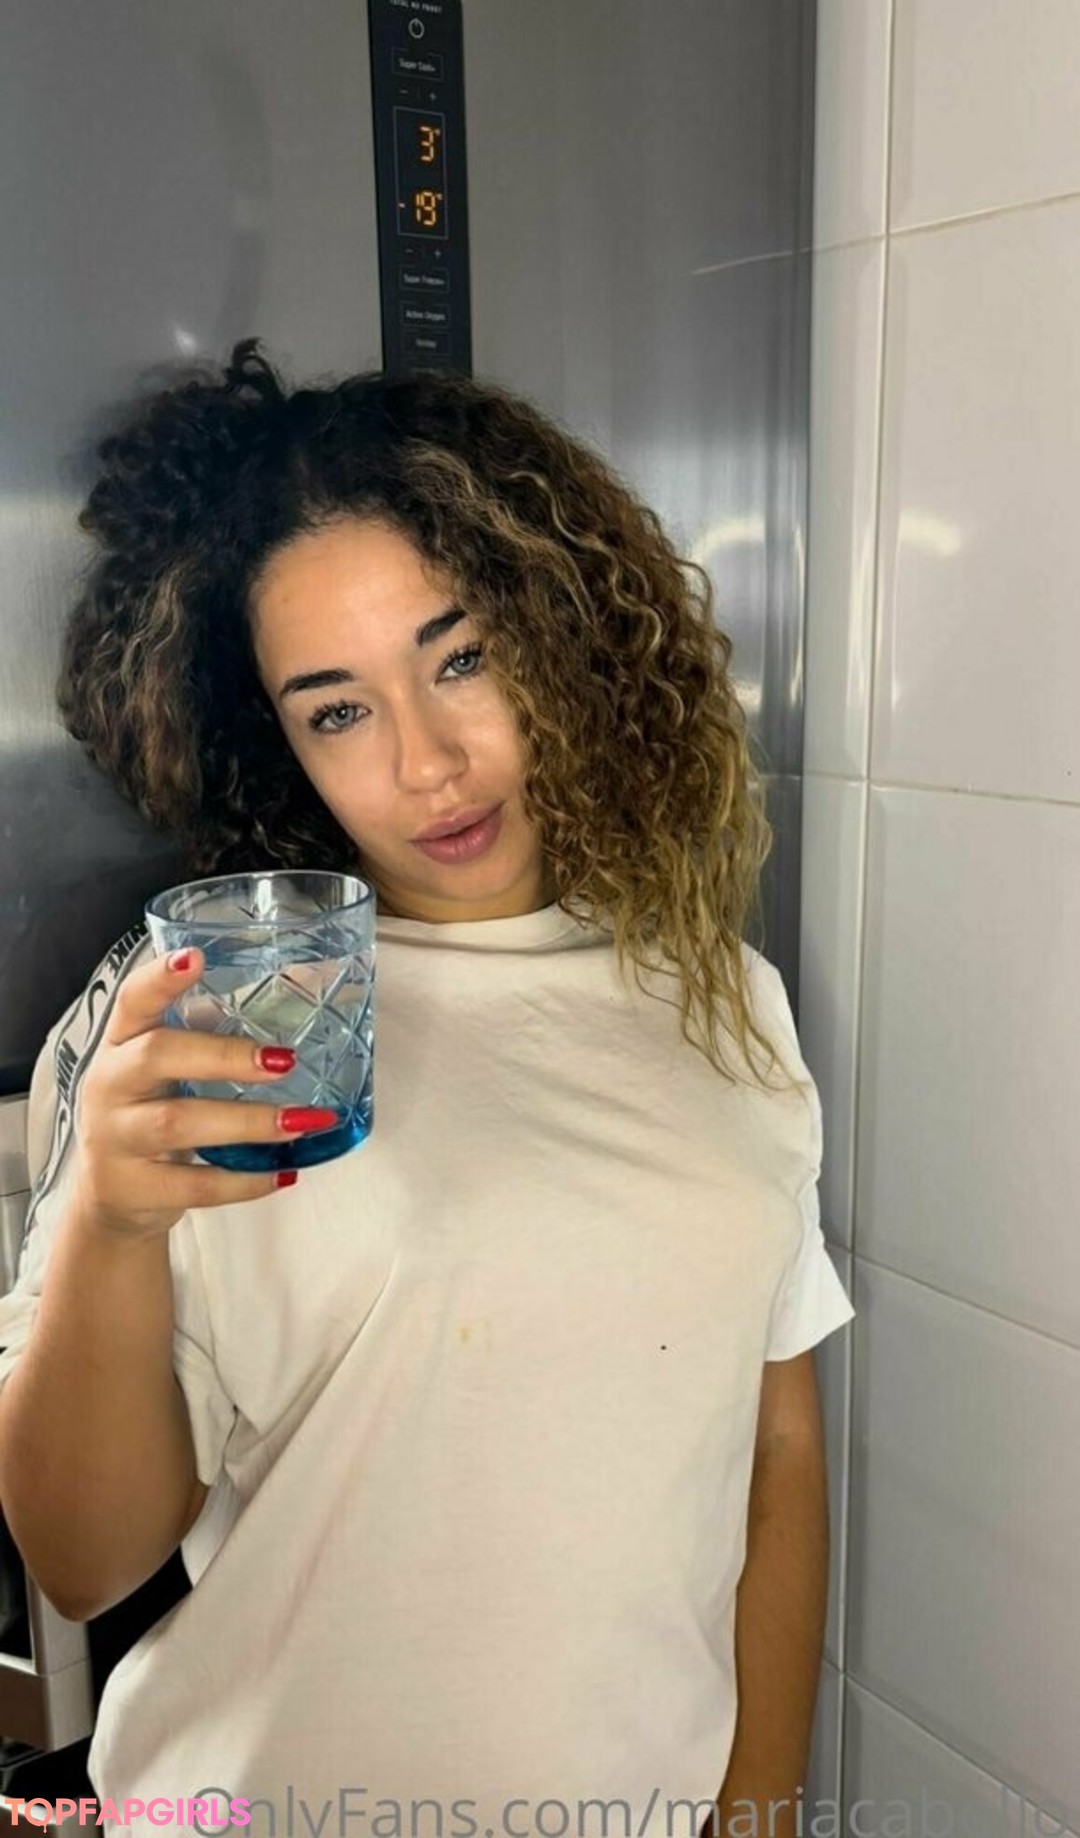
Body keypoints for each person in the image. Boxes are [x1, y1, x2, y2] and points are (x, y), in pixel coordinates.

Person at [0, 341, 853, 1838]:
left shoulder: (728, 1001)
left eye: (462, 659)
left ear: (563, 636)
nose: (429, 762)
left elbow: (774, 1444)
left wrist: (760, 1811)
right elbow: (83, 1561)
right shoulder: (213, 1022)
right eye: (337, 710)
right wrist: (107, 1230)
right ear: (279, 743)